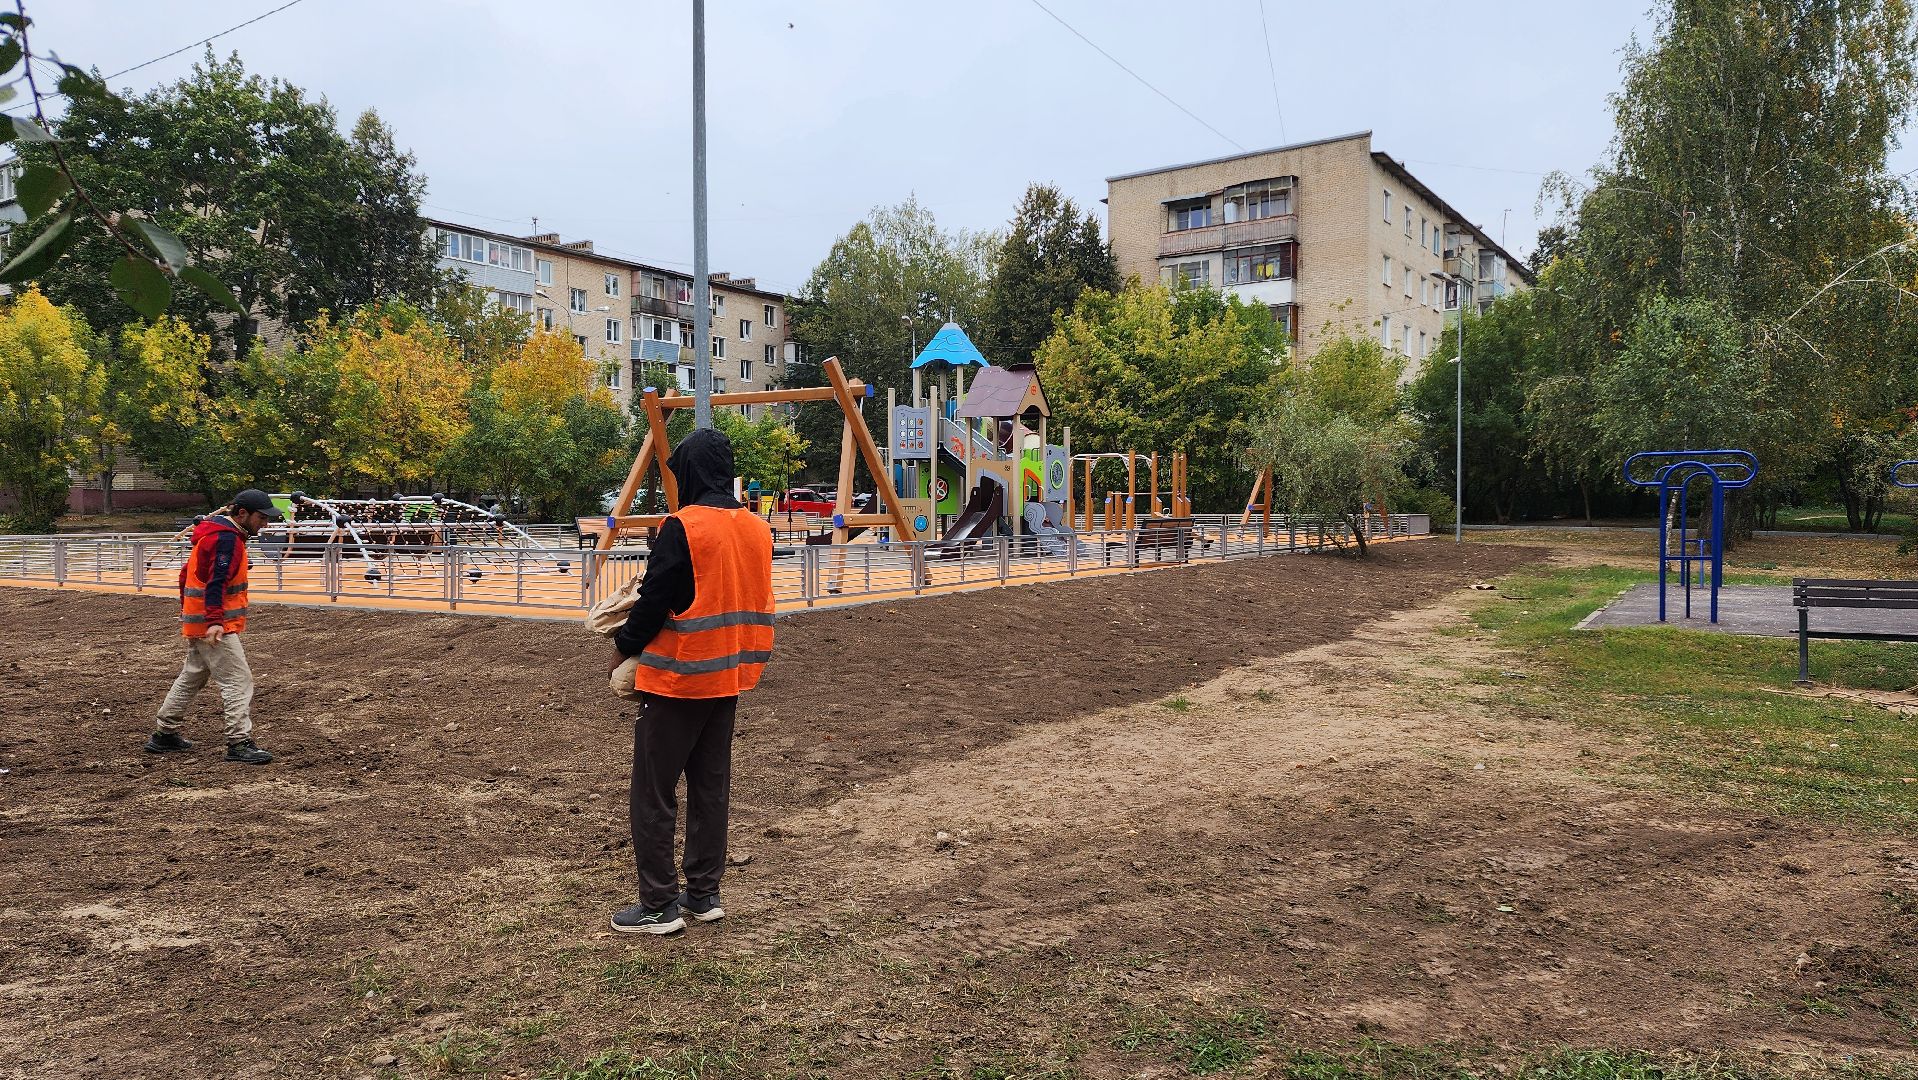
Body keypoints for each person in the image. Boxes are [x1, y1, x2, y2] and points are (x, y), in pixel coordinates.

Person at [609, 429, 775, 935]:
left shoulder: (683, 527)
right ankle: (703, 894)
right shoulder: (756, 529)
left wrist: (622, 647)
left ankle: (659, 905)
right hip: (729, 677)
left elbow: (656, 600)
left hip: (678, 681)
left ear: (688, 473)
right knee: (711, 789)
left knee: (654, 792)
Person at [144, 489, 281, 765]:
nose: (265, 524)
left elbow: (187, 575)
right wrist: (216, 621)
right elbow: (216, 582)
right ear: (242, 514)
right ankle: (239, 742)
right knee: (238, 680)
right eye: (262, 517)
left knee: (192, 676)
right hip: (215, 626)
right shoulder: (226, 539)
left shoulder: (212, 534)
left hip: (199, 621)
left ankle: (165, 734)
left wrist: (190, 614)